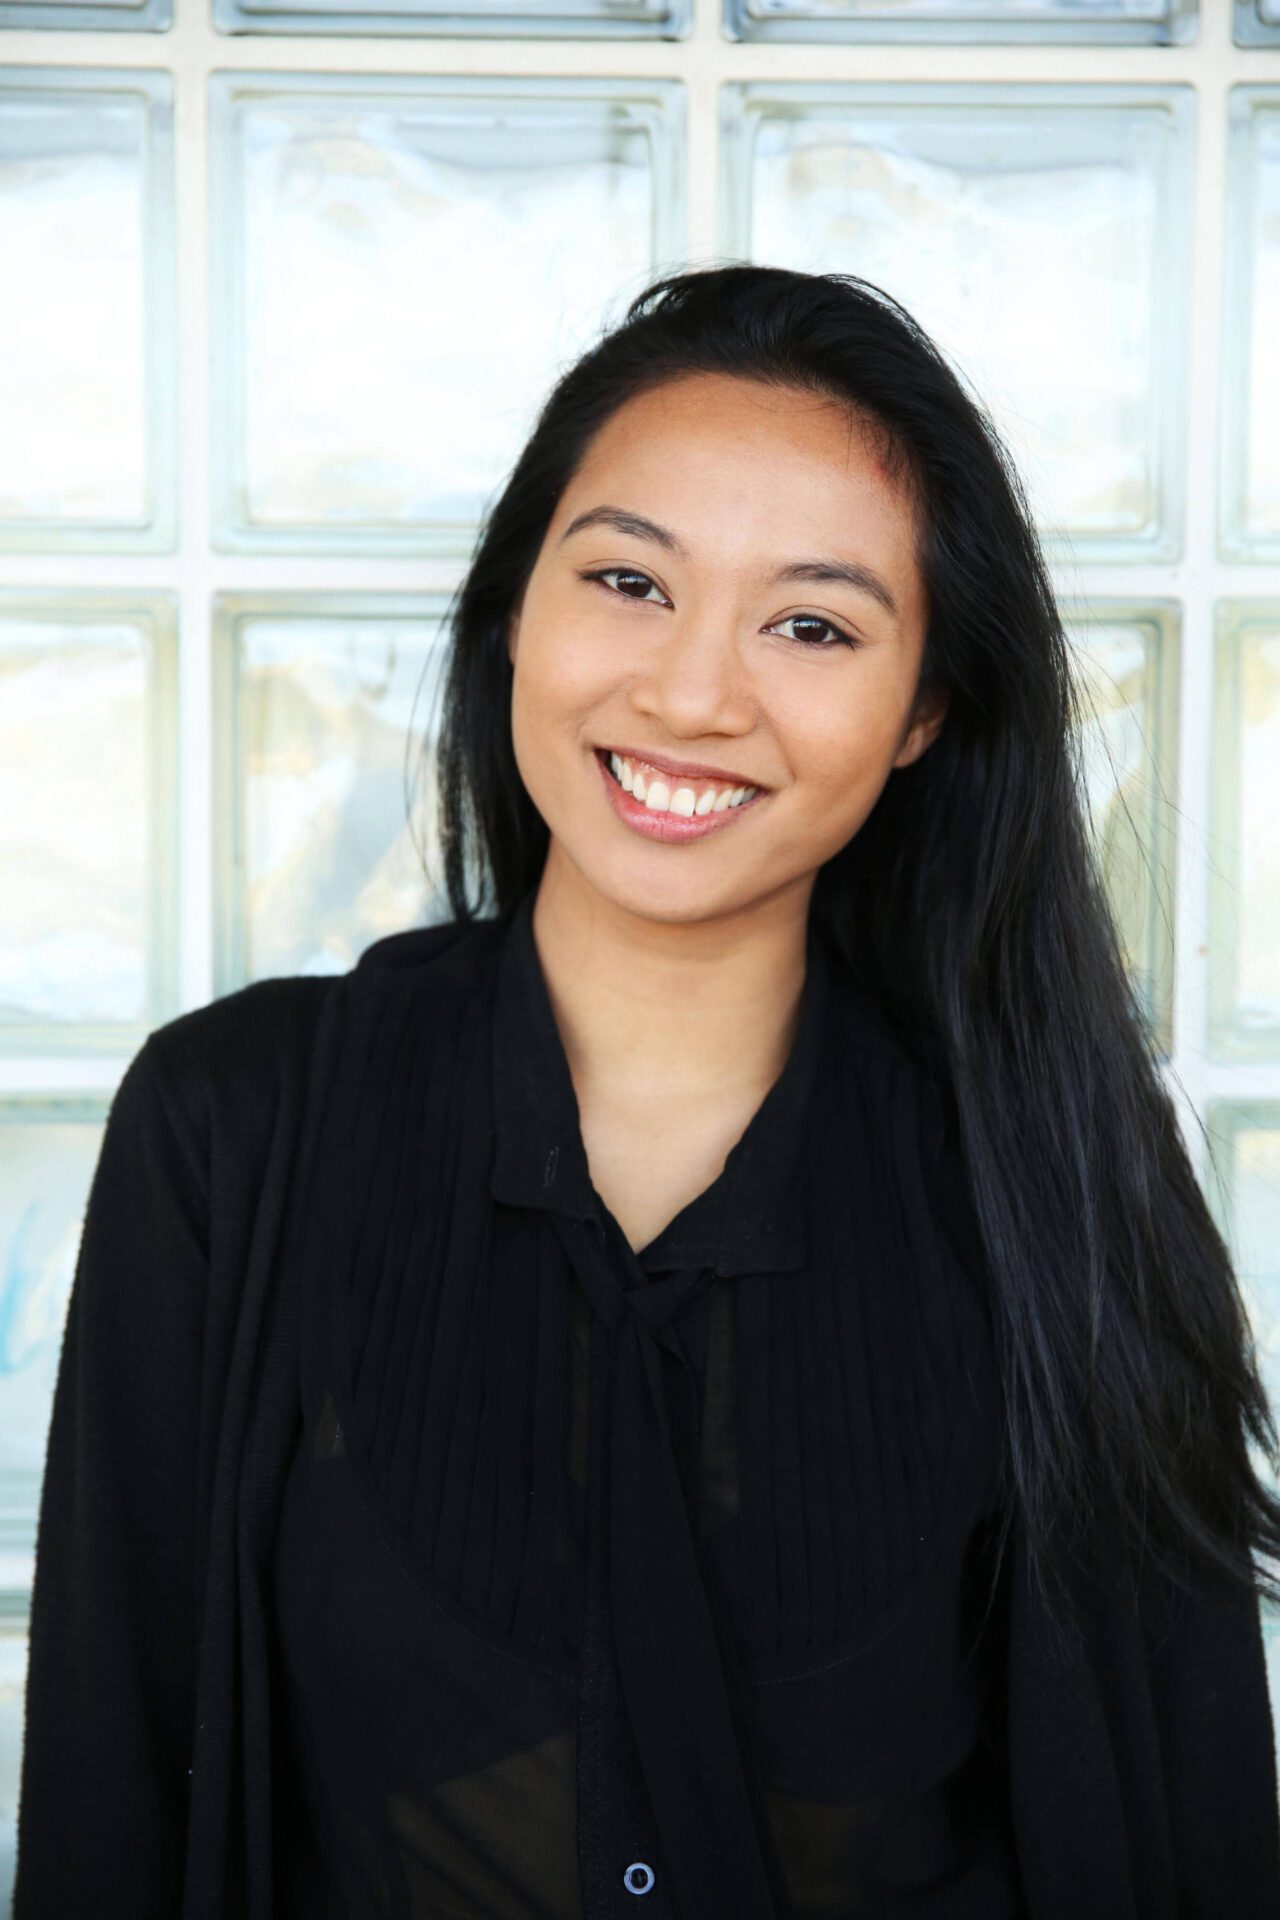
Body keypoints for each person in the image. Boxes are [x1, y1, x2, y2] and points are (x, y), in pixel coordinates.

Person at [13, 264, 1280, 1919]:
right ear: (515, 610)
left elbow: (1186, 1841)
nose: (693, 694)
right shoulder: (234, 1123)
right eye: (629, 581)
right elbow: (115, 1793)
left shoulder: (1053, 1167)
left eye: (813, 624)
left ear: (926, 713)